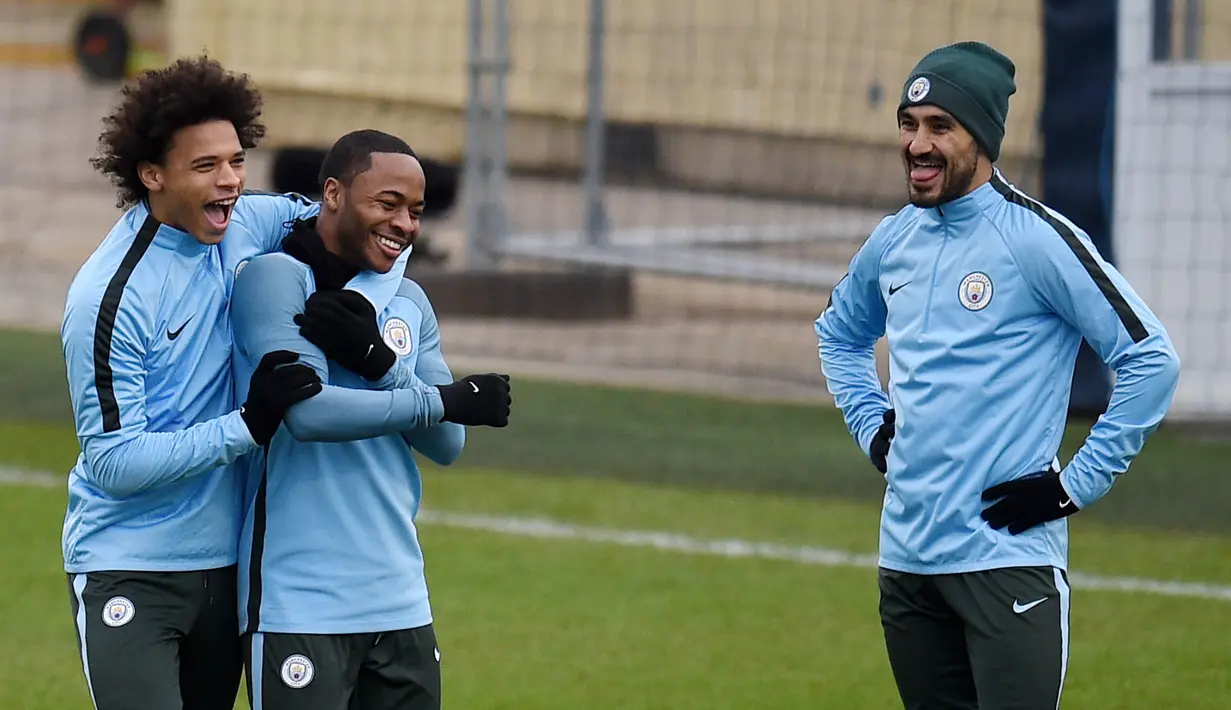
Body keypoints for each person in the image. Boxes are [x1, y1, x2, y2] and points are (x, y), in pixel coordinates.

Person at [814, 41, 1181, 709]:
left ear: (980, 138)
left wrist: (1073, 487)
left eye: (938, 127)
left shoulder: (1035, 240)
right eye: (907, 123)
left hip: (1004, 563)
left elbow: (1150, 359)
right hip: (906, 564)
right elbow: (838, 335)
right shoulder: (894, 240)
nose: (916, 144)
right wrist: (872, 427)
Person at [60, 55, 331, 710]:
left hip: (228, 571)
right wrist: (248, 425)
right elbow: (115, 462)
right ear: (152, 175)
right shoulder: (110, 296)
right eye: (205, 166)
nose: (230, 181)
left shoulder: (247, 227)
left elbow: (344, 222)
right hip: (131, 567)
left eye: (236, 161)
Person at [228, 129, 512, 710]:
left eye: (415, 211)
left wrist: (381, 363)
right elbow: (306, 414)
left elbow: (446, 443)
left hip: (401, 599)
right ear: (332, 193)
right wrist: (442, 398)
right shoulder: (275, 280)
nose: (405, 224)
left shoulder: (408, 301)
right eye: (387, 204)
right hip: (298, 601)